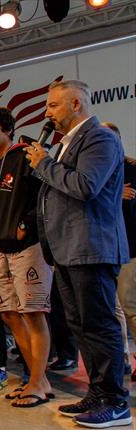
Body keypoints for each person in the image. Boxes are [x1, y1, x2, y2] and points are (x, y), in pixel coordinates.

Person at [24, 80, 131, 427]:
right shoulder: (68, 144)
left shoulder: (99, 138)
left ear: (75, 104)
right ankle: (98, 393)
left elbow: (85, 186)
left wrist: (43, 164)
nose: (47, 112)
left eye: (53, 105)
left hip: (91, 247)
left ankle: (116, 402)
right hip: (69, 249)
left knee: (99, 325)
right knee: (81, 325)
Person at [0, 105, 53, 408]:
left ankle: (36, 381)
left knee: (33, 315)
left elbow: (46, 194)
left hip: (28, 247)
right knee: (8, 313)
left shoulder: (25, 155)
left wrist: (27, 224)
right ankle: (39, 379)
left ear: (8, 129)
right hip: (3, 249)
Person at [103, 121, 136, 378]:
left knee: (129, 307)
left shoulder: (132, 169)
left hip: (130, 250)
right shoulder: (101, 171)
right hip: (106, 250)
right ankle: (122, 357)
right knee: (114, 309)